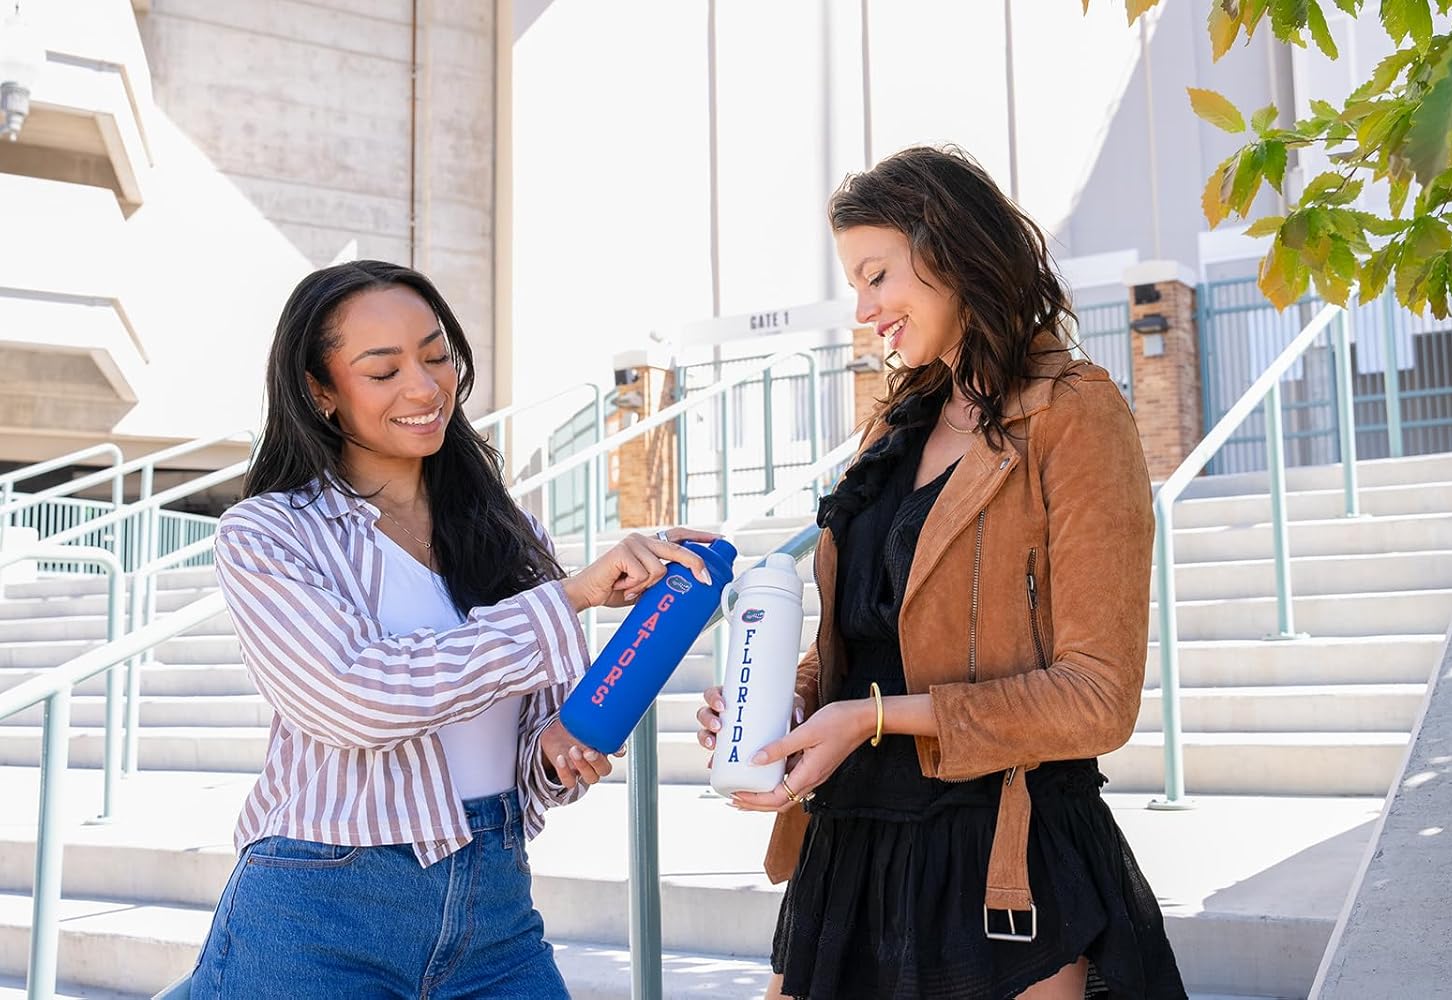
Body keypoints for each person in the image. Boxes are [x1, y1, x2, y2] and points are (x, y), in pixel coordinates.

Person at [698, 147, 1188, 999]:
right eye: (854, 283)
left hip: (1003, 858)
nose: (863, 309)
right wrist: (789, 702)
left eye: (878, 274)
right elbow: (869, 640)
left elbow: (1099, 697)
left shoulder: (1076, 414)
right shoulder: (896, 426)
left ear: (954, 254)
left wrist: (872, 719)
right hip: (851, 850)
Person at [192, 259, 716, 998]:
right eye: (383, 371)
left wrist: (556, 754)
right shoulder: (271, 534)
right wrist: (567, 599)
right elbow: (357, 697)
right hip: (319, 912)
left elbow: (524, 737)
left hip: (493, 908)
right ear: (321, 391)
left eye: (437, 355)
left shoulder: (512, 533)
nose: (424, 386)